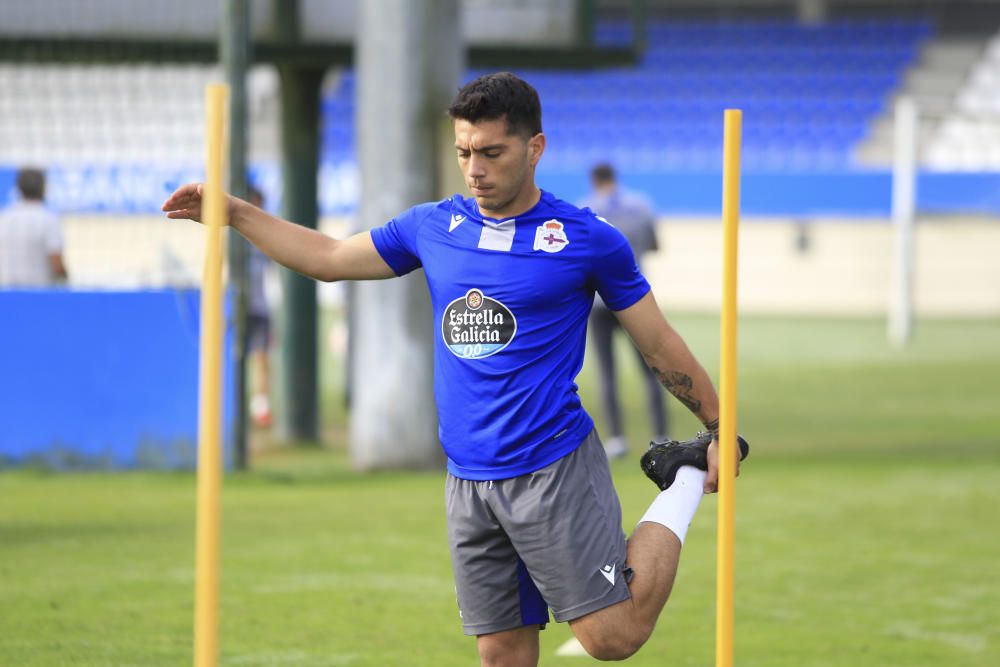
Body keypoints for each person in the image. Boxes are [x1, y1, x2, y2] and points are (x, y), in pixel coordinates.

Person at [163, 72, 747, 666]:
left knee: (612, 637)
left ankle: (682, 477)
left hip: (551, 468)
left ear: (534, 148)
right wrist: (235, 213)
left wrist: (720, 426)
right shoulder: (433, 227)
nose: (475, 169)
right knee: (500, 654)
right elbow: (330, 257)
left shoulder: (586, 240)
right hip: (468, 479)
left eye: (492, 152)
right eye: (465, 152)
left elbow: (657, 343)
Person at [580, 163, 668, 459]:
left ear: (594, 181)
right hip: (633, 299)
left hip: (598, 302)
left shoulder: (585, 209)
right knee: (652, 367)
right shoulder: (641, 206)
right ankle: (660, 434)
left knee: (607, 372)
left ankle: (617, 438)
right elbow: (655, 245)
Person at [0, 167, 68, 287]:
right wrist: (65, 281)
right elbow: (56, 263)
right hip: (39, 297)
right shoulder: (48, 219)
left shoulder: (4, 218)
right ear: (44, 188)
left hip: (7, 296)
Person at [245, 187, 274, 428]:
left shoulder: (262, 237)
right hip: (238, 307)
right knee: (237, 360)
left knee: (262, 359)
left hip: (259, 307)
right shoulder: (233, 237)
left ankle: (261, 409)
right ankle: (238, 408)